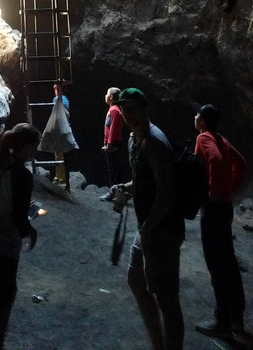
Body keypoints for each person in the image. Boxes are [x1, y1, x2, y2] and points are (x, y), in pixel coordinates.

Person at [109, 87, 184, 350]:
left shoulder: (154, 142)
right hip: (149, 227)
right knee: (136, 279)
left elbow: (167, 192)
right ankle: (158, 344)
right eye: (123, 108)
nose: (127, 114)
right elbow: (144, 182)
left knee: (166, 298)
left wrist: (150, 228)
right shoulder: (134, 139)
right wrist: (125, 188)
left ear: (144, 108)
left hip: (162, 230)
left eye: (132, 108)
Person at [0, 123, 41, 350]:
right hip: (3, 244)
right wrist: (30, 231)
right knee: (2, 301)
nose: (36, 151)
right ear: (26, 147)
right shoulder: (22, 175)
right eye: (35, 146)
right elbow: (17, 216)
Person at [192, 102, 247, 341]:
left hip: (214, 209)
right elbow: (241, 163)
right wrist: (229, 189)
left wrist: (214, 192)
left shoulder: (204, 137)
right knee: (228, 262)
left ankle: (221, 319)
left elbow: (212, 159)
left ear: (202, 121)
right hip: (225, 208)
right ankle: (237, 318)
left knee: (216, 264)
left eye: (197, 115)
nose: (194, 118)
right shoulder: (222, 138)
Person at [100, 86, 125, 198]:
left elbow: (113, 128)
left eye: (107, 94)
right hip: (113, 143)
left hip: (113, 144)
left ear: (111, 97)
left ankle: (113, 194)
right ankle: (116, 193)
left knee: (114, 169)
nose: (105, 96)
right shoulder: (114, 109)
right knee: (114, 168)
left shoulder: (114, 110)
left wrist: (109, 144)